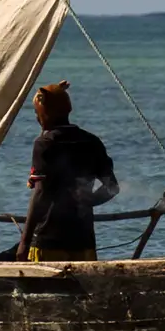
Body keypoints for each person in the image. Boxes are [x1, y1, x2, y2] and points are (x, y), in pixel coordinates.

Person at [20, 82, 114, 262]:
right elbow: (112, 187)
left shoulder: (45, 144)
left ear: (43, 112)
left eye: (36, 112)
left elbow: (40, 193)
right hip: (84, 239)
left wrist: (24, 242)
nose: (36, 117)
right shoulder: (91, 142)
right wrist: (87, 201)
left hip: (49, 240)